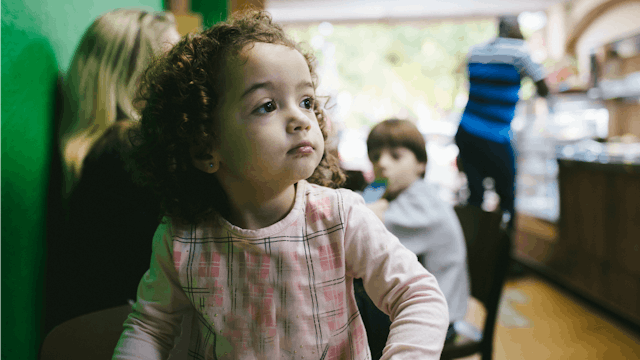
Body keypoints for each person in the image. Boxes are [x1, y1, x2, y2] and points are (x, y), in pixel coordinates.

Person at [112, 10, 449, 360]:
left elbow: (418, 295)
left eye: (306, 101)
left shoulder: (340, 217)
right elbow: (150, 327)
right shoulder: (181, 238)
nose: (301, 119)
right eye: (267, 105)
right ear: (203, 146)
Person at [44, 9, 181, 333]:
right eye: (172, 64)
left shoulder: (95, 152)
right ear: (136, 73)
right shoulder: (130, 149)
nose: (184, 77)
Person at [357, 119, 469, 359]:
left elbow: (362, 227)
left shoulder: (421, 202)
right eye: (375, 157)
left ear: (421, 163)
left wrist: (372, 201)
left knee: (355, 313)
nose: (382, 164)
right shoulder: (397, 194)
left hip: (435, 320)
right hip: (418, 307)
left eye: (395, 156)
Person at [455, 15, 549, 232]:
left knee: (475, 195)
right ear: (514, 28)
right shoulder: (520, 52)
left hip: (466, 131)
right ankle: (504, 254)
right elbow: (543, 88)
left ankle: (474, 249)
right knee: (507, 198)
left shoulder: (475, 51)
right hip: (495, 136)